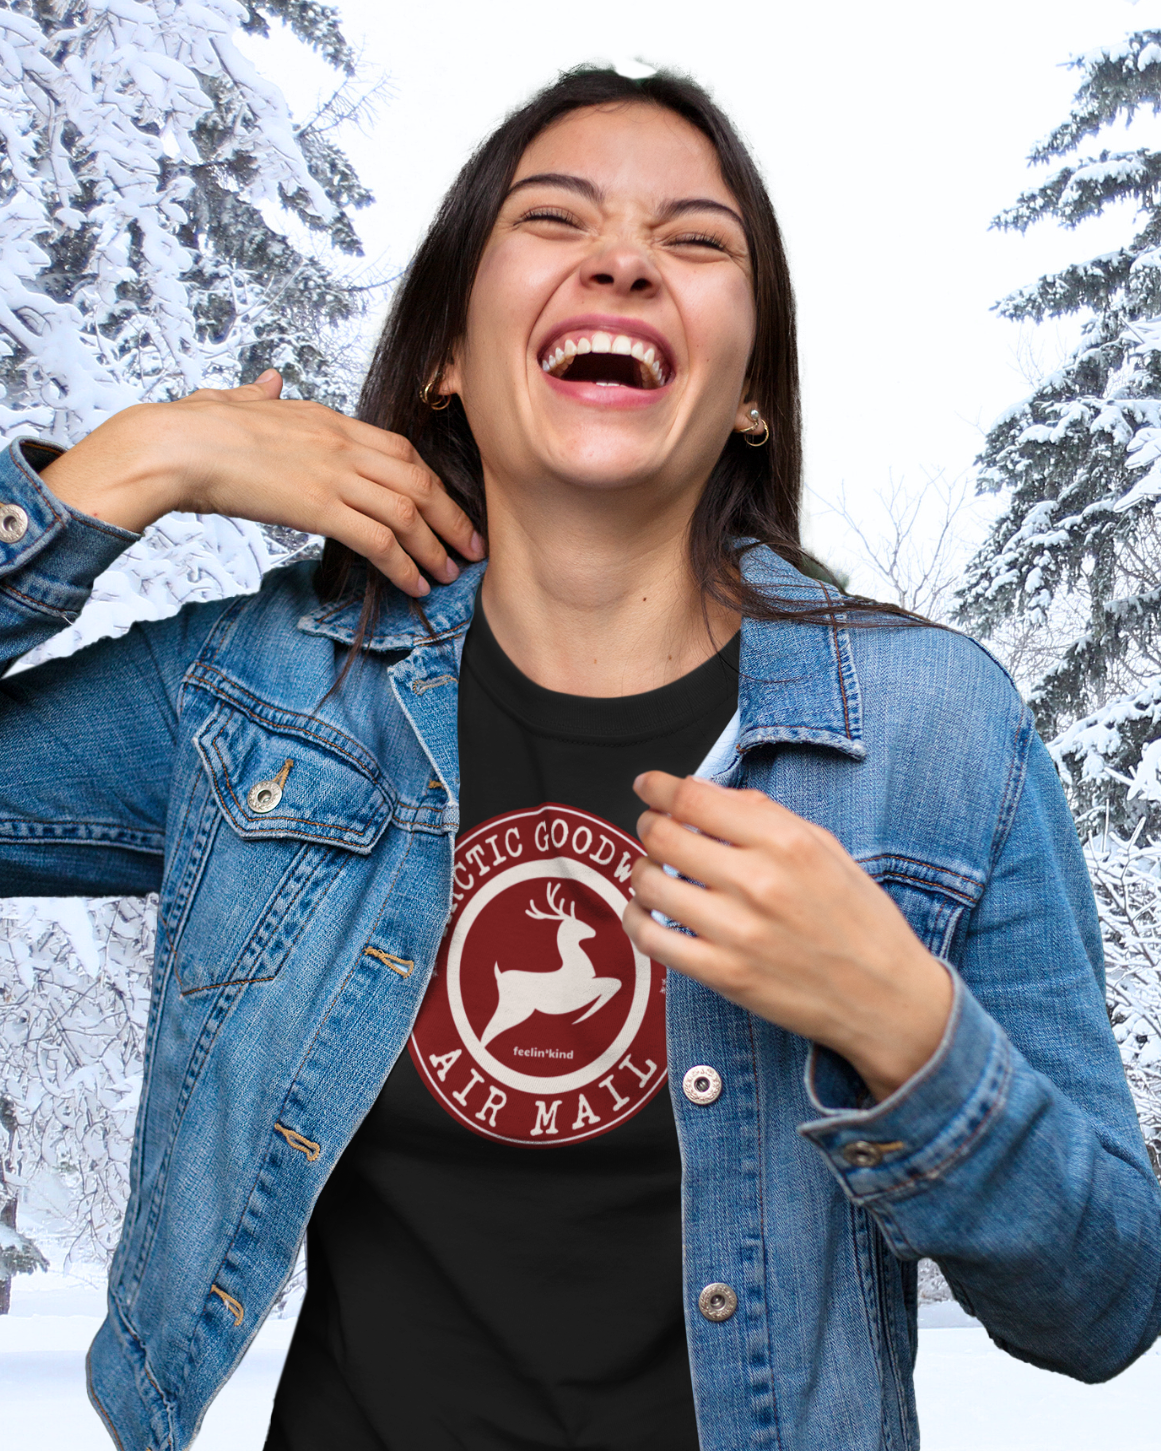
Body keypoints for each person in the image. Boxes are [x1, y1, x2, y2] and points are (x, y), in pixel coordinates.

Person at [0, 64, 1157, 1451]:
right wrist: (135, 462)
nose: (623, 259)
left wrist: (905, 1023)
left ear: (753, 402)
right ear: (445, 356)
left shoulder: (936, 731)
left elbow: (1105, 1302)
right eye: (556, 221)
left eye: (695, 239)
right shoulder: (271, 691)